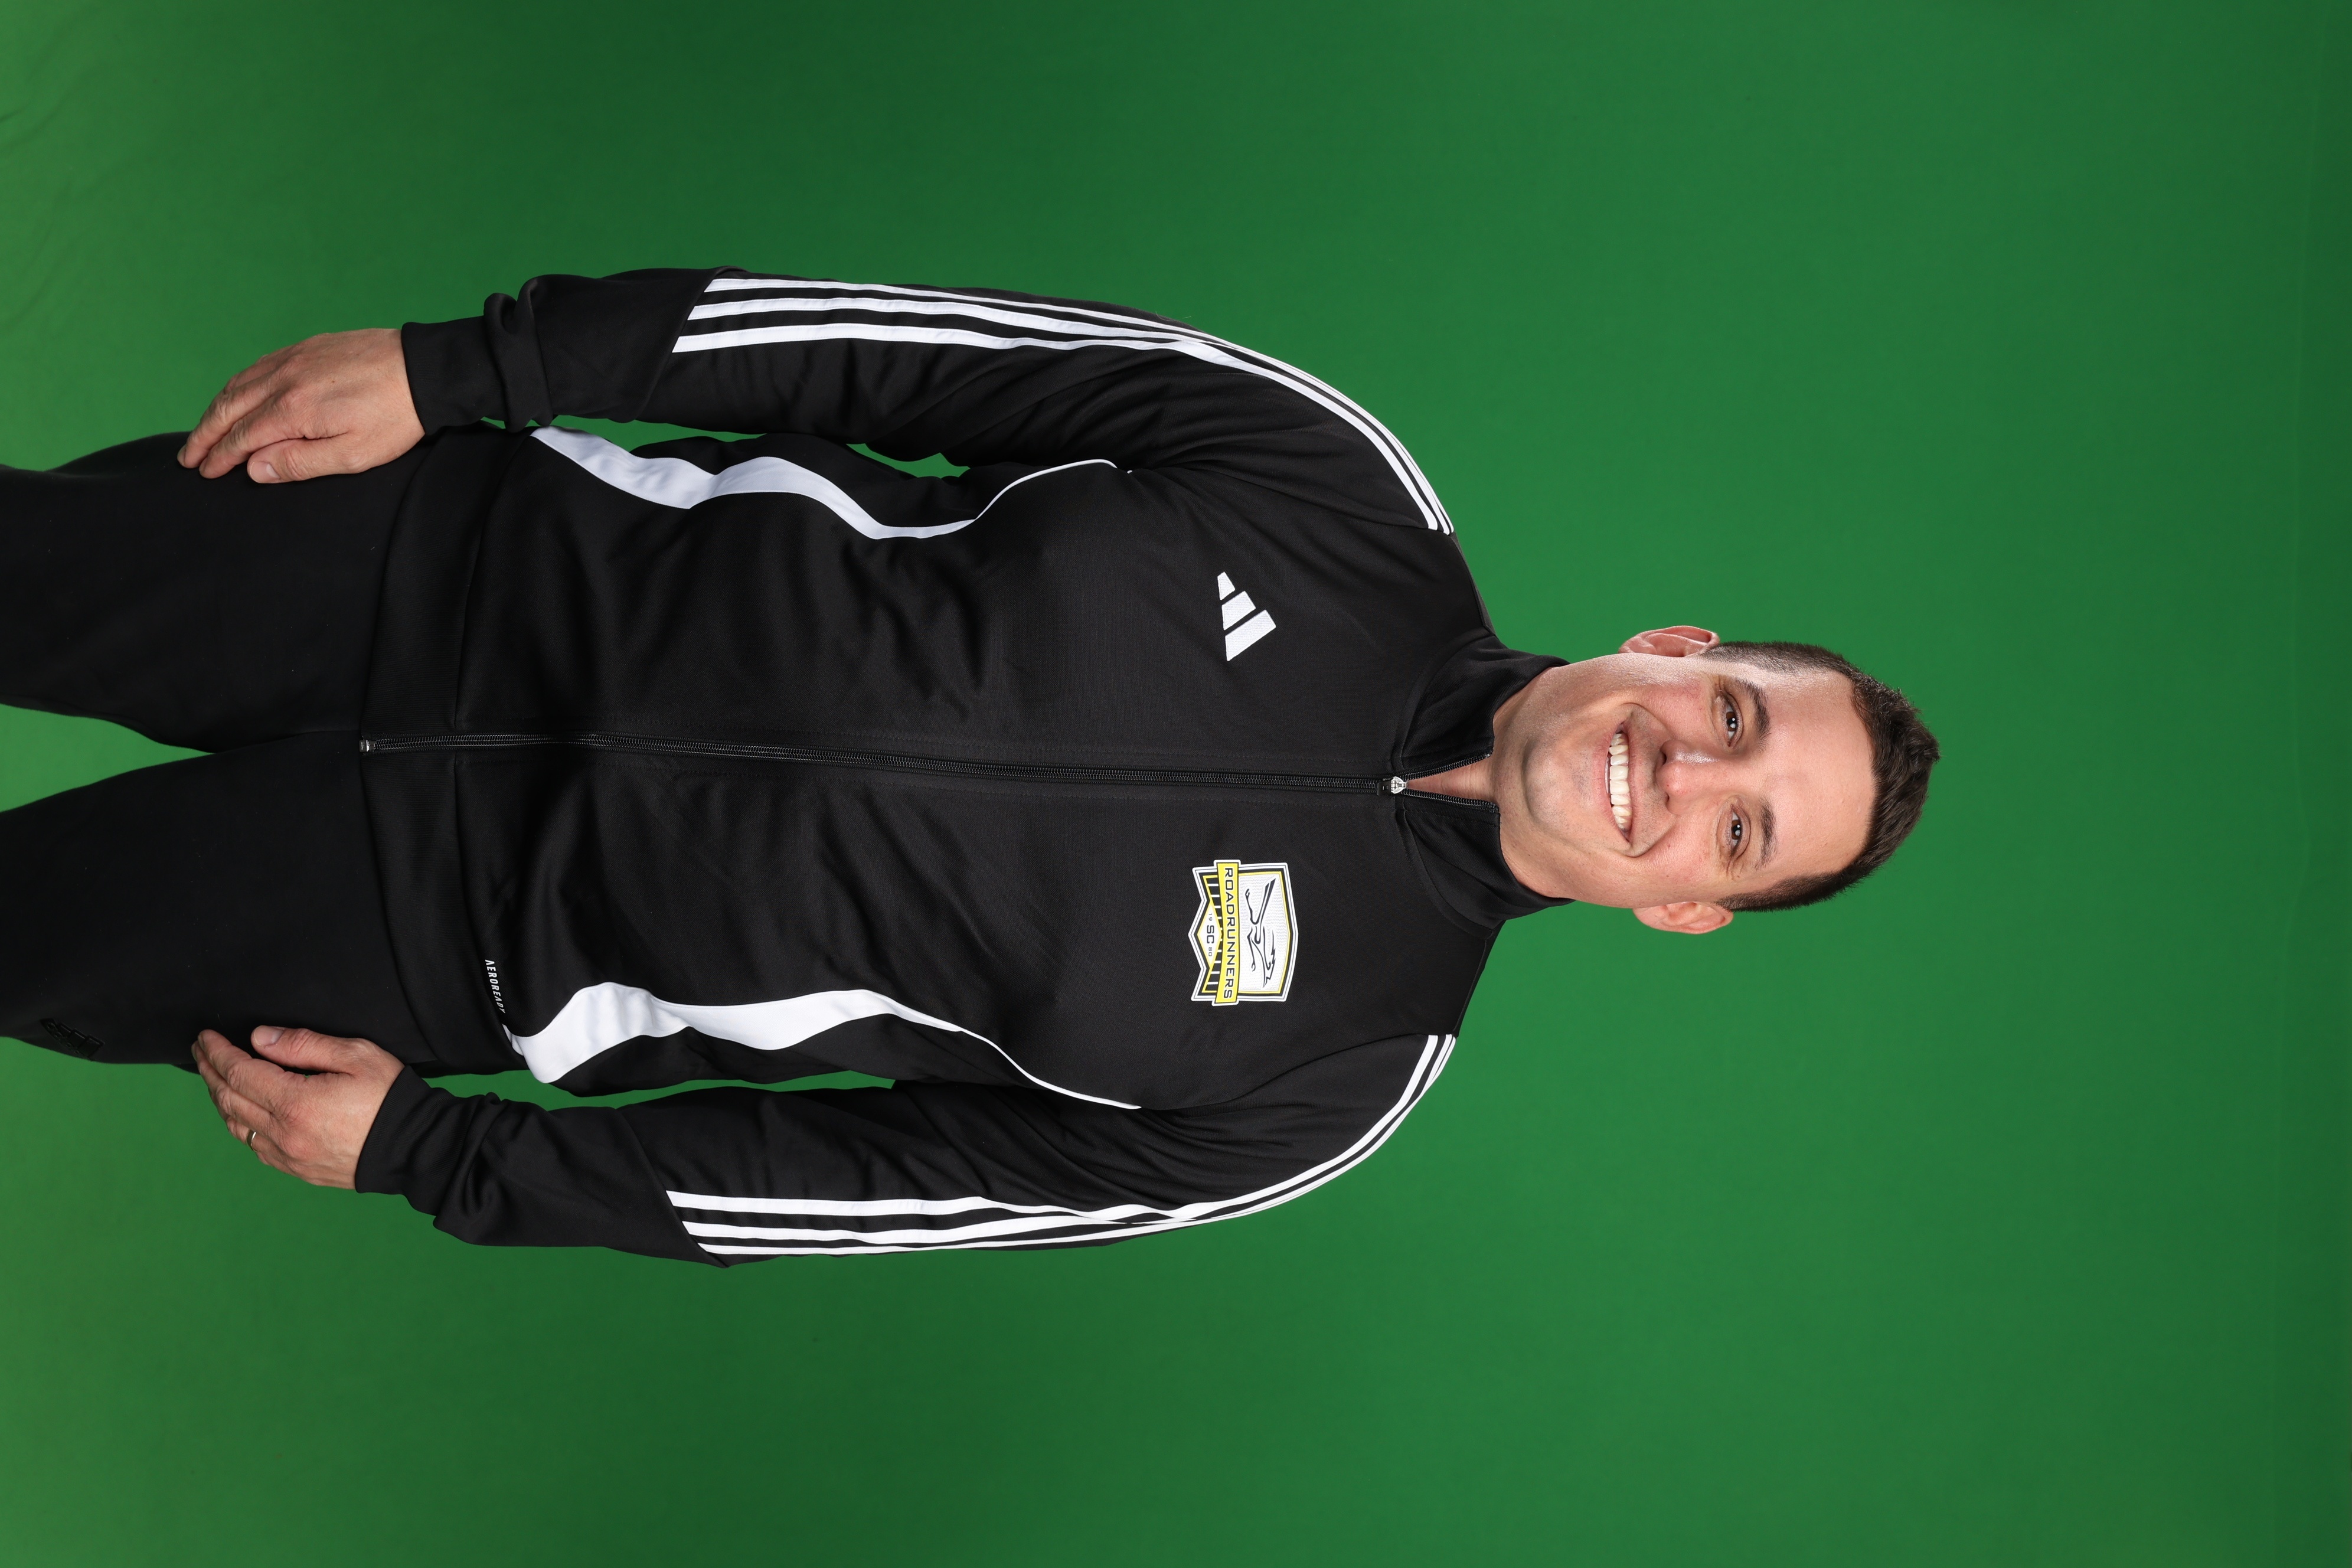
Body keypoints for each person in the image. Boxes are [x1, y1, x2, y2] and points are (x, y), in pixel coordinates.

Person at [0, 269, 1939, 1259]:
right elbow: (894, 353)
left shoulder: (1323, 1088)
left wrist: (448, 1159)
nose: (1683, 774)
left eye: (1740, 832)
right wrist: (471, 368)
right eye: (1734, 717)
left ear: (1690, 910)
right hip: (444, 555)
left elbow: (866, 1183)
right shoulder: (1339, 490)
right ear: (1677, 651)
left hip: (430, 938)